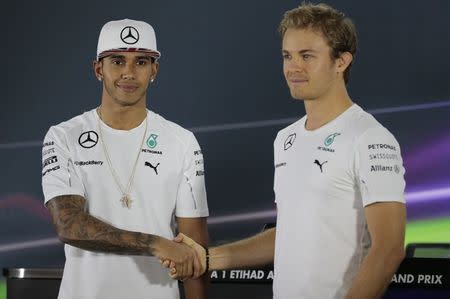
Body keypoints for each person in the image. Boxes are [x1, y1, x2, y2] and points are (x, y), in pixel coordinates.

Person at [167, 3, 406, 299]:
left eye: (307, 56)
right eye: (287, 56)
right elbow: (290, 234)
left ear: (341, 61)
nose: (293, 67)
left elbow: (389, 250)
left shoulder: (369, 137)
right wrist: (206, 259)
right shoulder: (285, 139)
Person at [41, 19, 209, 299]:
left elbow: (195, 251)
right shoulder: (63, 137)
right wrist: (154, 244)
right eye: (117, 61)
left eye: (141, 62)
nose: (129, 73)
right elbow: (69, 224)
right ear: (98, 69)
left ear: (154, 70)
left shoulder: (181, 141)